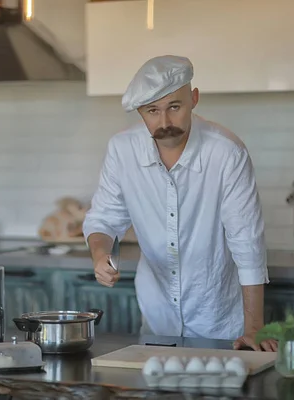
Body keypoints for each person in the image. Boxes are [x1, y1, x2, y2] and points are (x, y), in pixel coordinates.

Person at [82, 55, 277, 352]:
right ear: (140, 112)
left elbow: (247, 241)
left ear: (194, 99)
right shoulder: (121, 151)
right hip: (157, 318)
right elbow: (104, 220)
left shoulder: (226, 152)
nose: (165, 123)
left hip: (220, 320)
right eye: (152, 111)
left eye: (174, 107)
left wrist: (254, 328)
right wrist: (99, 254)